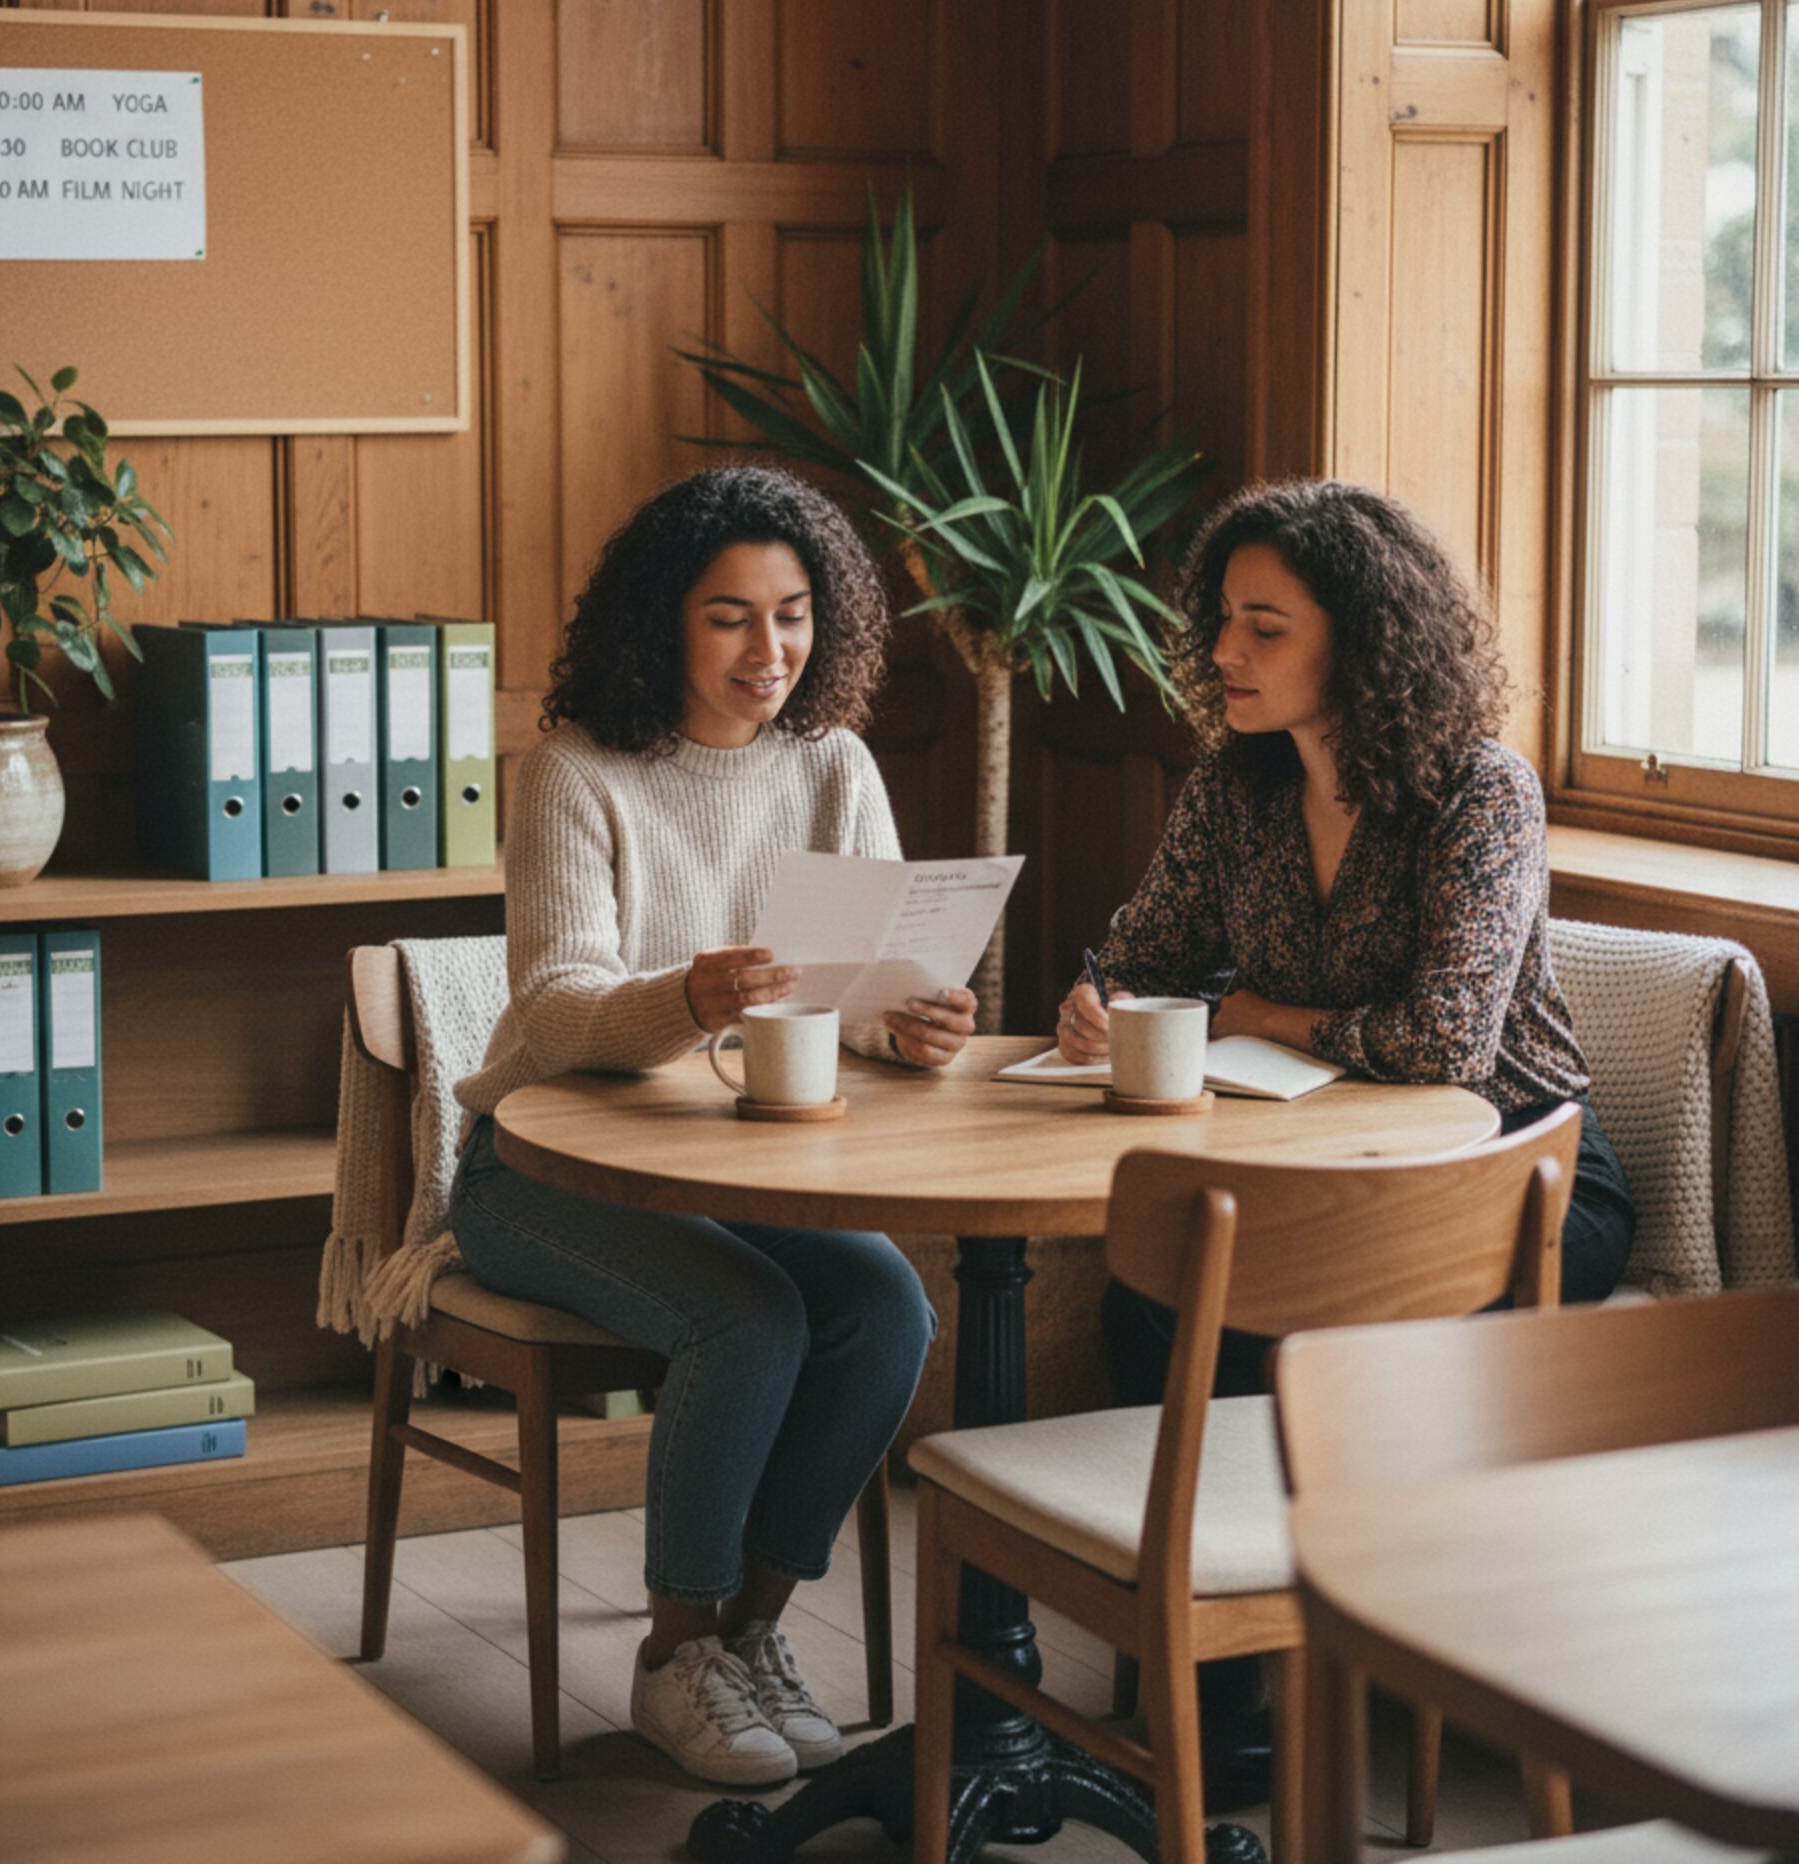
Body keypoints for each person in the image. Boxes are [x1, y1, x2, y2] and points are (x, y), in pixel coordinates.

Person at [450, 464, 975, 1788]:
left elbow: (844, 993)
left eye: (794, 615)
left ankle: (749, 1636)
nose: (770, 651)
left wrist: (899, 1020)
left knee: (889, 1313)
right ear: (662, 622)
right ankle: (672, 1660)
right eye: (731, 616)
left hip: (722, 1164)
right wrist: (688, 996)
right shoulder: (576, 769)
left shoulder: (833, 765)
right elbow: (558, 1013)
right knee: (751, 1318)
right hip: (532, 1165)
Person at [1059, 478, 1634, 1402]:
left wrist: (1260, 1016)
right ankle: (1181, 1544)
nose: (1224, 650)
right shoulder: (1233, 787)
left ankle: (1325, 1545)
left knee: (1321, 1338)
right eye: (1223, 618)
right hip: (1318, 1165)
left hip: (1514, 1174)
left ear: (1362, 643)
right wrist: (1100, 1008)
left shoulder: (1483, 793)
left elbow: (1446, 1043)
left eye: (1266, 628)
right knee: (1146, 1307)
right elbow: (1139, 963)